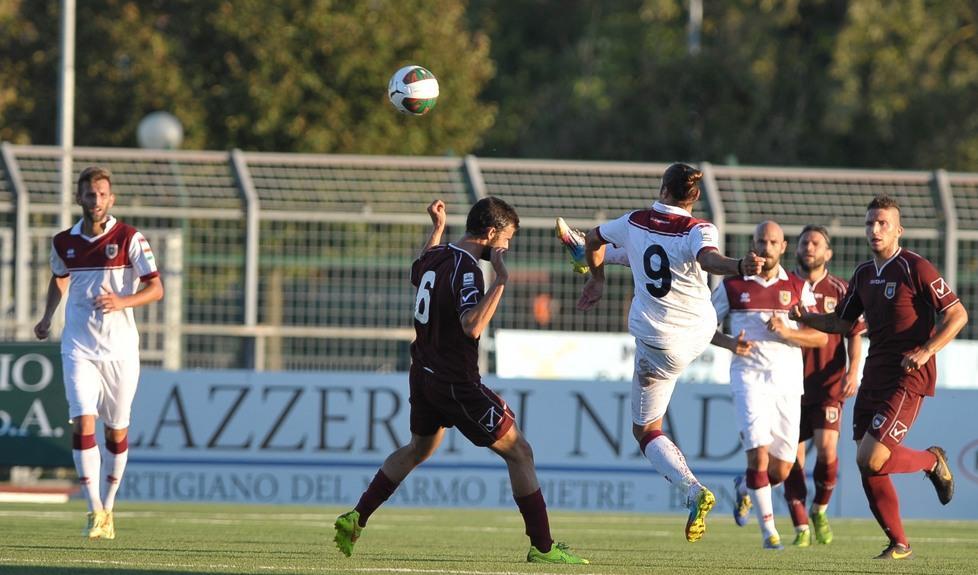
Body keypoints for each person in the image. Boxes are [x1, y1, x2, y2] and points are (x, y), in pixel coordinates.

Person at [333, 197, 588, 565]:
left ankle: (357, 516)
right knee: (521, 452)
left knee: (418, 450)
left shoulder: (437, 257)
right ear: (490, 233)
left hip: (423, 374)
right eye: (507, 239)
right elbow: (472, 325)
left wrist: (437, 229)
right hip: (455, 382)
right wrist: (501, 280)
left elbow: (417, 270)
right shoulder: (470, 269)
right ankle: (543, 548)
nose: (507, 247)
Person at [567, 162, 764, 543]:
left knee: (645, 430)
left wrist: (596, 277)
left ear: (662, 189)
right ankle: (727, 342)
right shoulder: (701, 227)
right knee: (642, 258)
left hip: (660, 345)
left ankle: (693, 490)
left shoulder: (634, 220)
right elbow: (708, 260)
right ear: (694, 198)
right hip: (702, 329)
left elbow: (595, 238)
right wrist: (740, 265)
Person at [791, 195, 966, 560]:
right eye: (870, 222)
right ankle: (899, 543)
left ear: (898, 230)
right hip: (875, 374)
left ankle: (931, 461)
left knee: (872, 458)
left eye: (882, 223)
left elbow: (958, 314)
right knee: (865, 462)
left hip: (909, 375)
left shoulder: (915, 268)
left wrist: (926, 350)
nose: (874, 229)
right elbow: (841, 323)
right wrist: (803, 316)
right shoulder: (864, 275)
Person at [34, 166, 164, 539]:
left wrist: (123, 301)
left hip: (120, 350)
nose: (96, 201)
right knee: (83, 419)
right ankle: (94, 510)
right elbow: (60, 277)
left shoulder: (129, 238)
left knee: (117, 429)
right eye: (90, 195)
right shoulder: (64, 242)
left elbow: (156, 288)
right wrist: (46, 317)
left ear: (112, 198)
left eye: (102, 194)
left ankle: (109, 504)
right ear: (79, 198)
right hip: (78, 345)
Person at [710, 220, 827, 550]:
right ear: (754, 242)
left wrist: (788, 332)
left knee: (780, 468)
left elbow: (819, 336)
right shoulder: (733, 285)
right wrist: (730, 343)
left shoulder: (797, 287)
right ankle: (769, 533)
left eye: (773, 242)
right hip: (748, 379)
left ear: (783, 247)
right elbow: (702, 325)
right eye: (761, 240)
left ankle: (745, 489)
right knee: (757, 457)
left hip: (788, 384)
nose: (766, 247)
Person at [782, 225, 865, 547]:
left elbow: (855, 333)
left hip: (829, 383)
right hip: (788, 384)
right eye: (804, 242)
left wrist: (854, 371)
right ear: (797, 248)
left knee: (828, 451)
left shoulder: (841, 290)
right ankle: (801, 526)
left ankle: (820, 509)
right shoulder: (785, 285)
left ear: (828, 252)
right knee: (793, 459)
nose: (809, 247)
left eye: (816, 243)